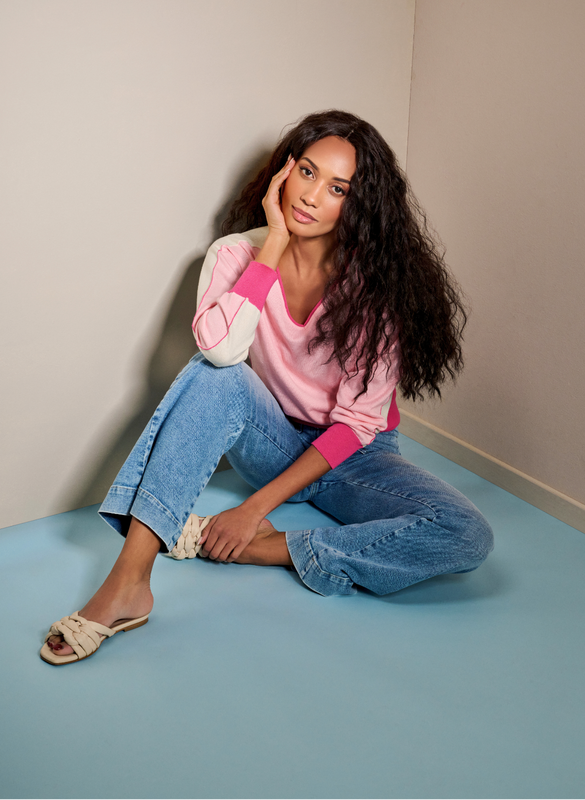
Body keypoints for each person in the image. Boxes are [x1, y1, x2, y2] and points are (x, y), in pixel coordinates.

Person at [41, 110, 493, 665]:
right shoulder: (235, 254)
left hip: (356, 459)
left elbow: (358, 423)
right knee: (216, 374)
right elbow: (220, 352)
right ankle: (128, 583)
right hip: (274, 443)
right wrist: (274, 244)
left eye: (338, 188)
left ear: (359, 205)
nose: (311, 196)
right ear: (284, 171)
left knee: (466, 534)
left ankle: (269, 550)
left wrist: (252, 512)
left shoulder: (376, 286)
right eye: (307, 172)